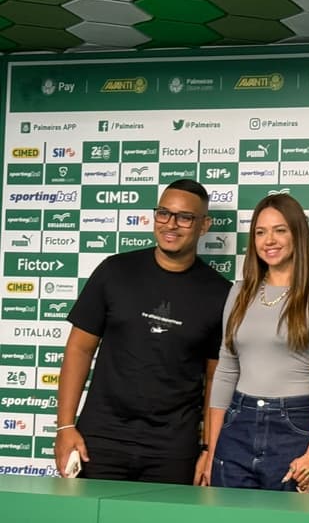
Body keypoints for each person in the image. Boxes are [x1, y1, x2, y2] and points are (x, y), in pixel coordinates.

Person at [55, 179, 232, 484]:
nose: (171, 224)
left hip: (173, 447)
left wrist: (208, 448)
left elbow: (216, 375)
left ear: (204, 226)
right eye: (163, 213)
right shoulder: (114, 271)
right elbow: (79, 349)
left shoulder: (220, 293)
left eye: (184, 217)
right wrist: (64, 427)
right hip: (101, 438)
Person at [205, 193, 309, 491]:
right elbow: (225, 370)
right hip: (237, 423)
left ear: (297, 235)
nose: (269, 240)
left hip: (295, 425)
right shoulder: (239, 292)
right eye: (260, 232)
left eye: (280, 230)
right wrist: (211, 451)